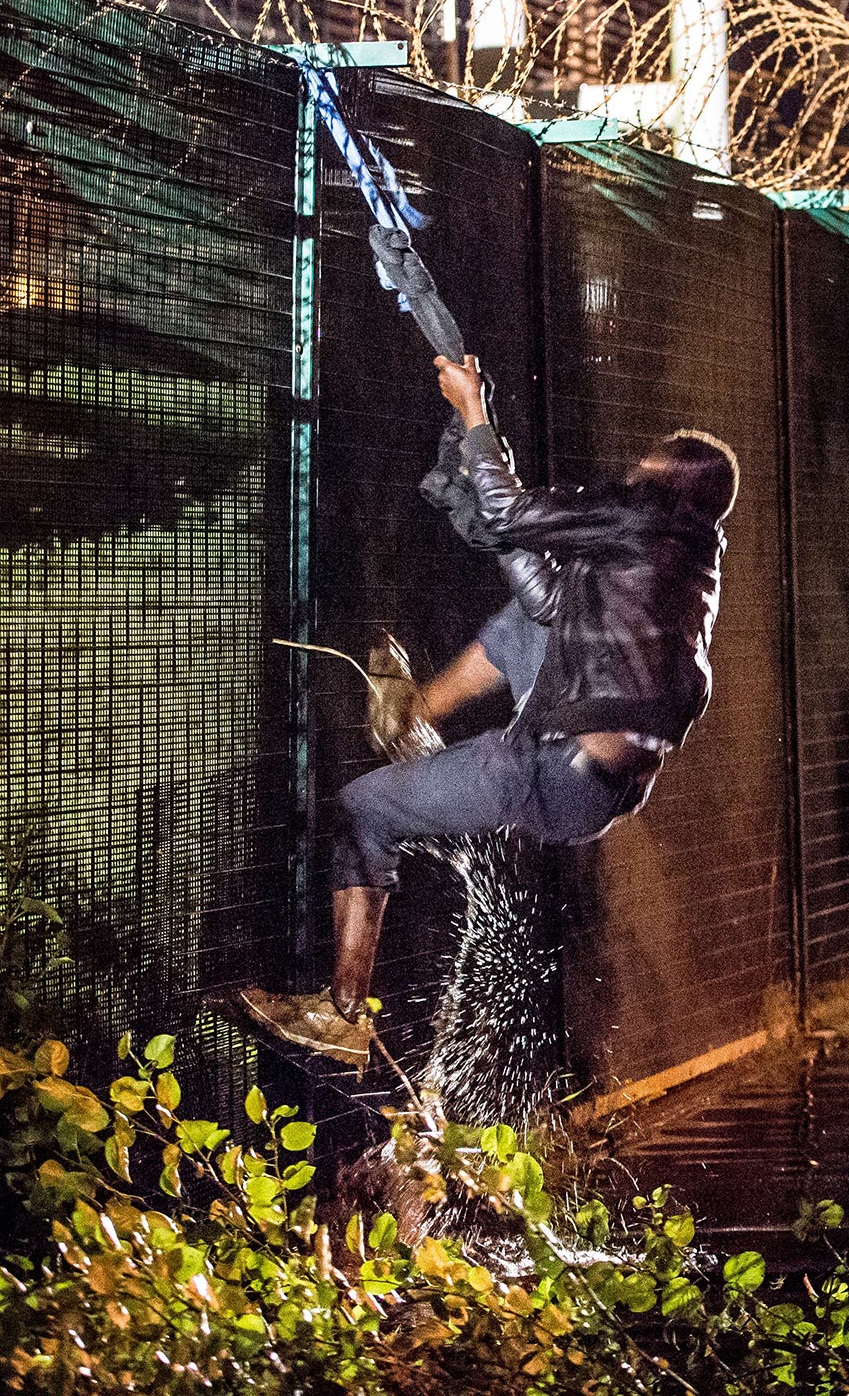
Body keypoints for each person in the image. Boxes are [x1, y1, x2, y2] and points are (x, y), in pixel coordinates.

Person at [236, 353, 739, 1068]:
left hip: (549, 771)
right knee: (528, 621)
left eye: (642, 467)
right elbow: (544, 596)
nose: (628, 475)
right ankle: (414, 715)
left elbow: (511, 512)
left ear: (662, 479)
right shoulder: (685, 569)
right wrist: (486, 460)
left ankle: (343, 1012)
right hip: (595, 791)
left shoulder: (646, 516)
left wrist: (473, 412)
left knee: (360, 811)